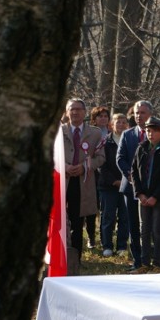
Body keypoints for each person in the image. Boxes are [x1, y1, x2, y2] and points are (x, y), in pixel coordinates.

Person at [117, 100, 160, 269]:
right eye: (136, 113)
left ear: (150, 114)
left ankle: (158, 261)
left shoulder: (159, 134)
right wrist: (132, 177)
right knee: (133, 226)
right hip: (131, 188)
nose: (138, 116)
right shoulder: (127, 134)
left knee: (155, 226)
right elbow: (120, 158)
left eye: (142, 113)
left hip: (152, 189)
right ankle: (138, 262)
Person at [61, 98, 106, 259]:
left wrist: (85, 167)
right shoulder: (58, 132)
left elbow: (101, 158)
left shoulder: (94, 133)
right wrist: (64, 166)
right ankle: (58, 257)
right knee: (59, 221)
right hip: (61, 181)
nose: (75, 112)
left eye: (78, 109)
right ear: (67, 112)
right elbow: (49, 155)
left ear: (85, 112)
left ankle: (76, 258)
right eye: (71, 109)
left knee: (77, 222)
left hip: (83, 183)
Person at [131, 117, 160, 271]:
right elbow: (134, 172)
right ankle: (144, 263)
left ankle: (158, 263)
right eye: (148, 130)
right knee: (144, 230)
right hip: (143, 197)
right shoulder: (141, 148)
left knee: (157, 229)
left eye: (154, 131)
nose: (151, 134)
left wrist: (155, 196)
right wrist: (140, 194)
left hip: (159, 197)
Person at [97, 113, 130, 257]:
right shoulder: (105, 142)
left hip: (127, 185)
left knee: (124, 216)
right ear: (111, 124)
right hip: (108, 186)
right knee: (108, 216)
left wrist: (124, 180)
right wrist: (114, 181)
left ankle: (122, 246)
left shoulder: (131, 140)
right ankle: (107, 246)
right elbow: (101, 165)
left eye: (124, 122)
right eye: (118, 122)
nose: (121, 125)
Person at [85, 105, 111, 248]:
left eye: (105, 116)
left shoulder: (113, 133)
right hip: (92, 172)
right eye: (100, 116)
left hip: (108, 174)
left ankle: (105, 237)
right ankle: (91, 236)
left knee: (106, 209)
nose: (103, 118)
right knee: (91, 206)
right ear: (94, 119)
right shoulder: (90, 133)